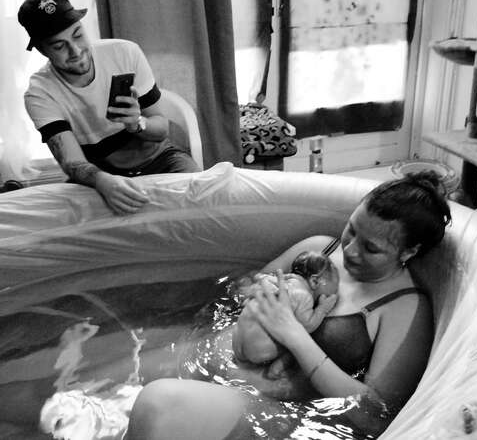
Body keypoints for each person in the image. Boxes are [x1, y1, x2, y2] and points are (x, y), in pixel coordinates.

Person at [124, 172, 451, 440]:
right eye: (351, 230)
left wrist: (293, 333)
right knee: (132, 373)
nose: (351, 250)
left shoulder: (405, 308)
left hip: (279, 412)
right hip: (215, 366)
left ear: (409, 251)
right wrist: (259, 292)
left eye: (371, 248)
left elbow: (373, 414)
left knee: (158, 404)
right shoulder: (320, 250)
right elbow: (241, 290)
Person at [18, 0, 200, 215]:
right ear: (42, 50)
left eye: (78, 35)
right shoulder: (40, 93)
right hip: (99, 174)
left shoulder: (124, 53)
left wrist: (137, 124)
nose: (76, 51)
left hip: (160, 160)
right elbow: (73, 162)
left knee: (200, 199)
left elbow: (162, 130)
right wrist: (103, 182)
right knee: (76, 223)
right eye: (59, 46)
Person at [232, 251, 339, 378]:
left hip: (236, 343)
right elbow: (307, 326)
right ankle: (276, 369)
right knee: (302, 341)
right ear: (314, 281)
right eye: (329, 293)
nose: (330, 296)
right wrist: (322, 309)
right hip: (258, 351)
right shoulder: (304, 295)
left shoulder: (276, 280)